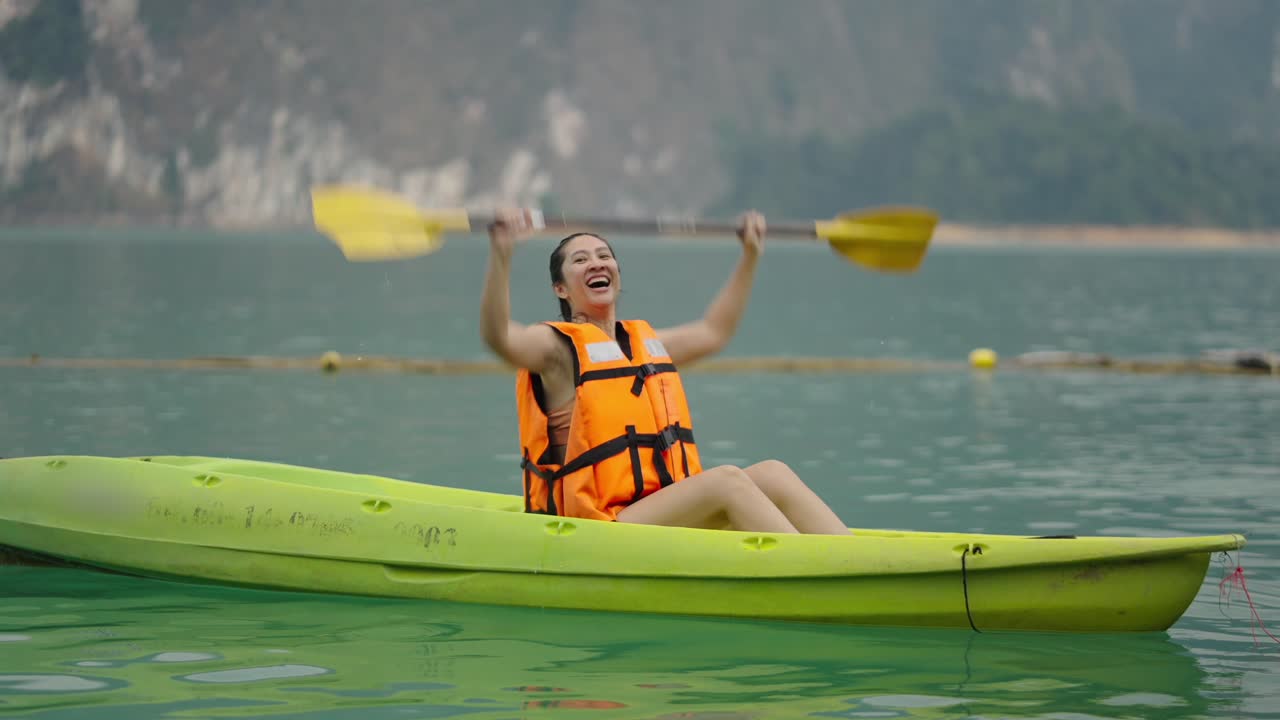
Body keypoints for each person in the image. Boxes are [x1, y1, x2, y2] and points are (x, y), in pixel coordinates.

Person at [480, 207, 849, 535]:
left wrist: (750, 256)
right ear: (560, 288)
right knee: (726, 482)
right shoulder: (556, 348)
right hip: (596, 525)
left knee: (773, 473)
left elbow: (714, 331)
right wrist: (501, 256)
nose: (596, 263)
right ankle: (816, 573)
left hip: (654, 511)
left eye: (604, 256)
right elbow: (500, 338)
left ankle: (845, 555)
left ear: (617, 276)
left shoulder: (644, 345)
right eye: (579, 260)